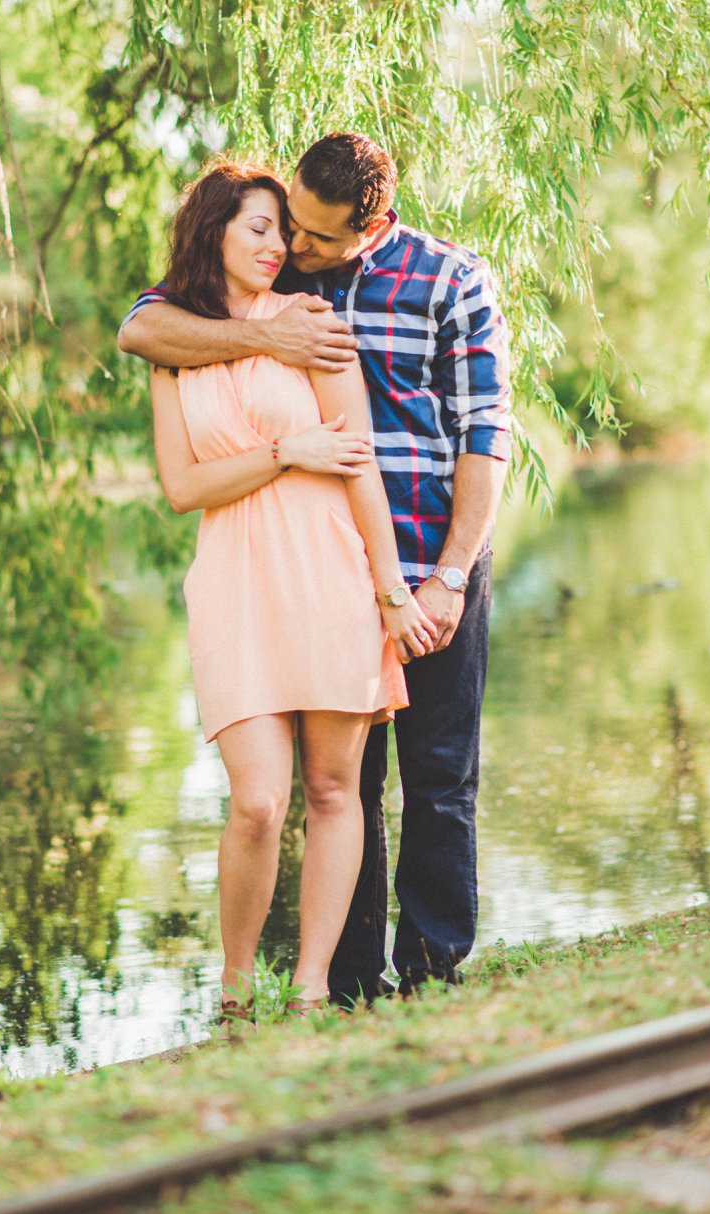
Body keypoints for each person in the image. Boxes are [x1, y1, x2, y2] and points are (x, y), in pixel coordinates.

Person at [120, 133, 511, 1006]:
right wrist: (271, 355)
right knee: (347, 790)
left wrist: (444, 577)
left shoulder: (450, 280)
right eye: (283, 224)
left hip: (429, 556)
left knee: (439, 775)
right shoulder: (289, 279)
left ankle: (432, 971)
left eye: (314, 236)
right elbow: (143, 327)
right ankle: (343, 981)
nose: (294, 246)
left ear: (369, 226)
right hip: (325, 564)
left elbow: (485, 434)